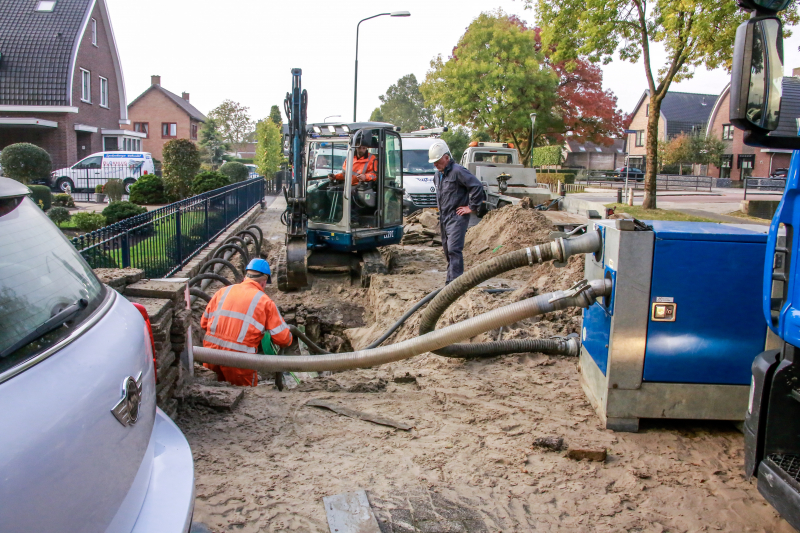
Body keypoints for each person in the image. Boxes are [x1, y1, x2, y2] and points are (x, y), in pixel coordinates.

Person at [200, 258, 293, 386]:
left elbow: (204, 324)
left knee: (210, 390)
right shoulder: (265, 302)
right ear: (264, 281)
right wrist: (290, 335)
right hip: (239, 361)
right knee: (245, 394)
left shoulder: (223, 291)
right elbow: (283, 339)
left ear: (246, 276)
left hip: (210, 355)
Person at [429, 140, 485, 284]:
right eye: (434, 162)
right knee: (447, 250)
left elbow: (477, 186)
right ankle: (450, 283)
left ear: (446, 157)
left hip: (456, 217)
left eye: (437, 161)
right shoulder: (438, 175)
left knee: (454, 250)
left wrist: (471, 207)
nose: (435, 164)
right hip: (444, 217)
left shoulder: (458, 171)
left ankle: (455, 285)